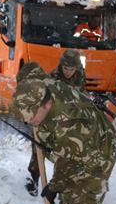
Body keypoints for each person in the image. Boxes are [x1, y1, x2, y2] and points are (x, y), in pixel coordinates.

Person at [13, 62, 116, 204]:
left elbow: (71, 162)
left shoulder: (69, 119)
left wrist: (54, 186)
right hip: (73, 151)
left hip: (97, 153)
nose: (31, 122)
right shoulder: (38, 90)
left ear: (47, 104)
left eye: (33, 117)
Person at [25, 50, 87, 195]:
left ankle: (60, 183)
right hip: (51, 114)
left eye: (72, 69)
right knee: (39, 145)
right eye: (65, 68)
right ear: (61, 66)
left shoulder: (80, 76)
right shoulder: (53, 77)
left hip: (70, 115)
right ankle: (34, 178)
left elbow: (80, 95)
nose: (68, 72)